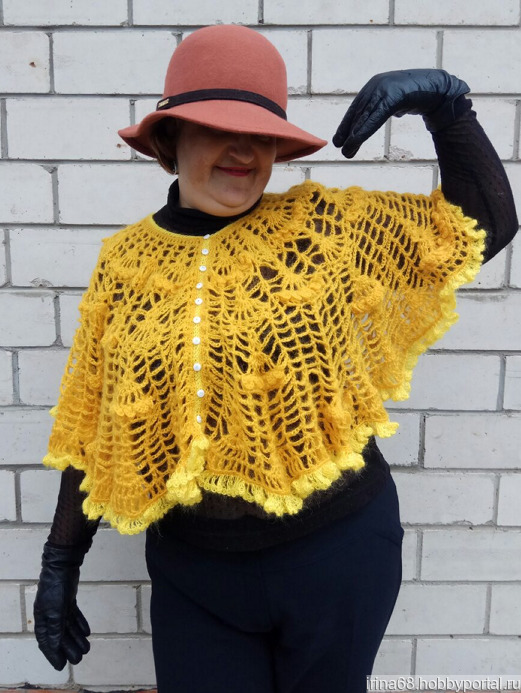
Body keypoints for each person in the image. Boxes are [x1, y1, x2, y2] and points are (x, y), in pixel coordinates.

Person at [33, 24, 518, 693]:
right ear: (171, 138)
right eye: (217, 128)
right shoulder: (123, 264)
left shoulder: (325, 231)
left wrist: (448, 110)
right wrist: (61, 560)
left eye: (260, 134)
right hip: (195, 576)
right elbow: (89, 423)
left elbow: (485, 225)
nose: (243, 150)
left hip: (338, 555)